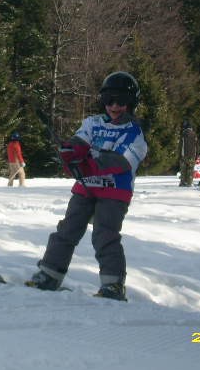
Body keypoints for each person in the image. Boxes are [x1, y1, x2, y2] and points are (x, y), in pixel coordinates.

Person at [27, 72, 148, 301]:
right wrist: (69, 153)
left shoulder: (134, 133)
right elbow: (79, 143)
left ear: (131, 103)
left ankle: (113, 285)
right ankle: (49, 275)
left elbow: (119, 161)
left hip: (114, 191)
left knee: (105, 235)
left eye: (121, 101)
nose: (114, 106)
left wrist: (87, 166)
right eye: (109, 100)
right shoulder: (92, 123)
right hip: (86, 188)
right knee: (66, 230)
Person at [179, 119, 199, 187]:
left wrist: (179, 155)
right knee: (190, 170)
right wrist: (197, 155)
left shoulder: (183, 134)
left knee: (183, 170)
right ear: (191, 128)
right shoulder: (194, 135)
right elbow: (197, 146)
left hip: (183, 155)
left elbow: (180, 146)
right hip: (192, 155)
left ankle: (182, 182)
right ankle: (189, 183)